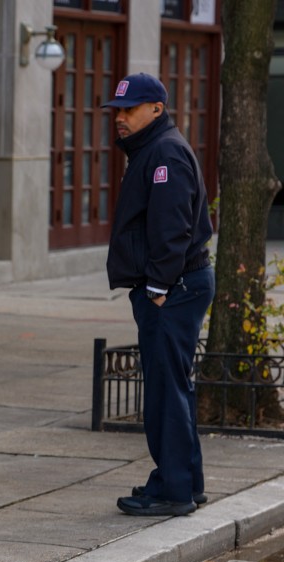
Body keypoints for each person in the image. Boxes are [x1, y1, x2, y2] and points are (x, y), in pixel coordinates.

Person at [102, 74, 215, 517]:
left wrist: (157, 289)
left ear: (157, 108)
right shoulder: (153, 150)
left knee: (166, 393)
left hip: (175, 288)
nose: (121, 118)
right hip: (178, 285)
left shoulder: (164, 151)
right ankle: (186, 482)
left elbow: (173, 227)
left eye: (130, 110)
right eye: (118, 111)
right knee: (174, 388)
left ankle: (173, 491)